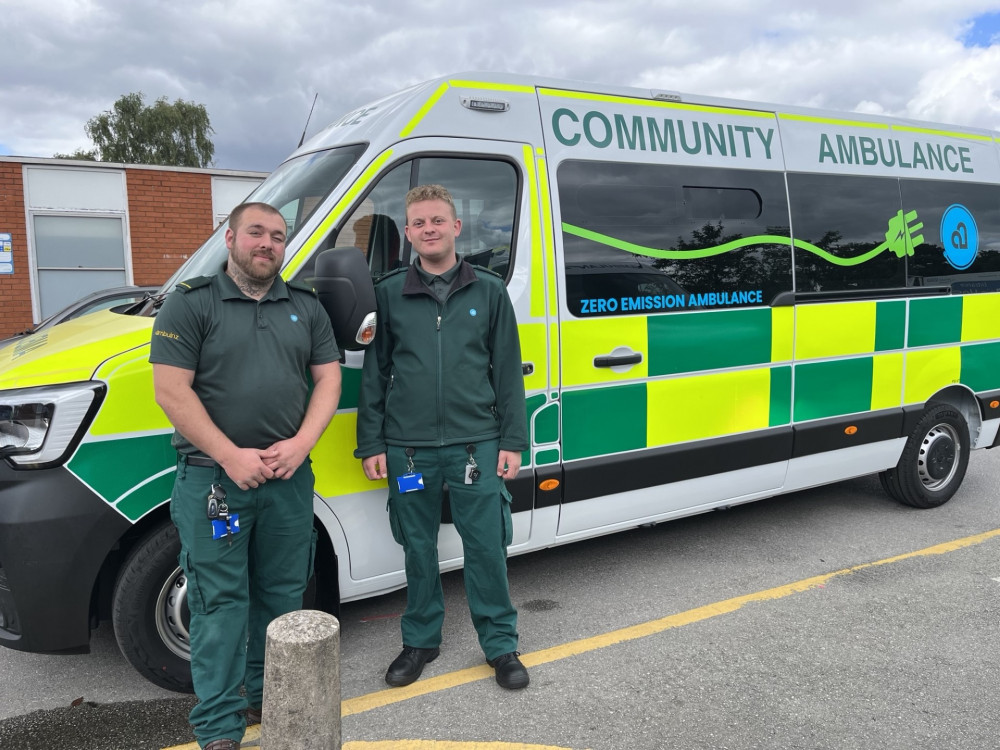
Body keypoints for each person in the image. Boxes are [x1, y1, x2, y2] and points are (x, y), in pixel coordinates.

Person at [150, 202, 342, 750]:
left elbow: (328, 380)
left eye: (278, 236)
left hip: (288, 481)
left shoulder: (305, 307)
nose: (268, 244)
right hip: (215, 482)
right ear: (230, 237)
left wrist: (302, 444)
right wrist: (231, 455)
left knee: (282, 595)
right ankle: (218, 728)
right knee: (218, 604)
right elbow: (171, 391)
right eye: (256, 233)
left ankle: (268, 696)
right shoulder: (191, 305)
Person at [355, 184, 530, 690]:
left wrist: (512, 441)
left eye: (437, 221)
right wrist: (372, 443)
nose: (428, 229)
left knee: (486, 547)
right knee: (417, 547)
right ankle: (420, 641)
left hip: (477, 443)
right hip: (408, 449)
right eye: (418, 223)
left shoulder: (490, 291)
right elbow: (375, 375)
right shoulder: (388, 294)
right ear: (408, 234)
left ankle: (500, 645)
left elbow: (507, 375)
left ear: (456, 227)